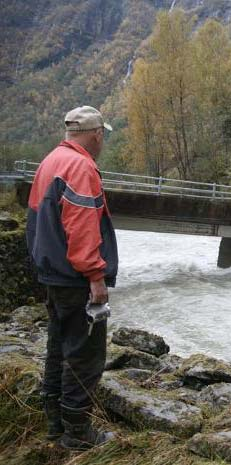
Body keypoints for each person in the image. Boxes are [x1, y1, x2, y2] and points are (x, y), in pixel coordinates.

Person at [26, 106, 119, 450]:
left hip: (52, 272)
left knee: (58, 347)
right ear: (95, 134)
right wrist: (96, 275)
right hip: (75, 277)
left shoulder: (50, 161)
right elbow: (81, 227)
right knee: (85, 355)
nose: (103, 141)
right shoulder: (81, 167)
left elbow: (34, 221)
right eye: (102, 136)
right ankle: (77, 434)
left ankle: (54, 422)